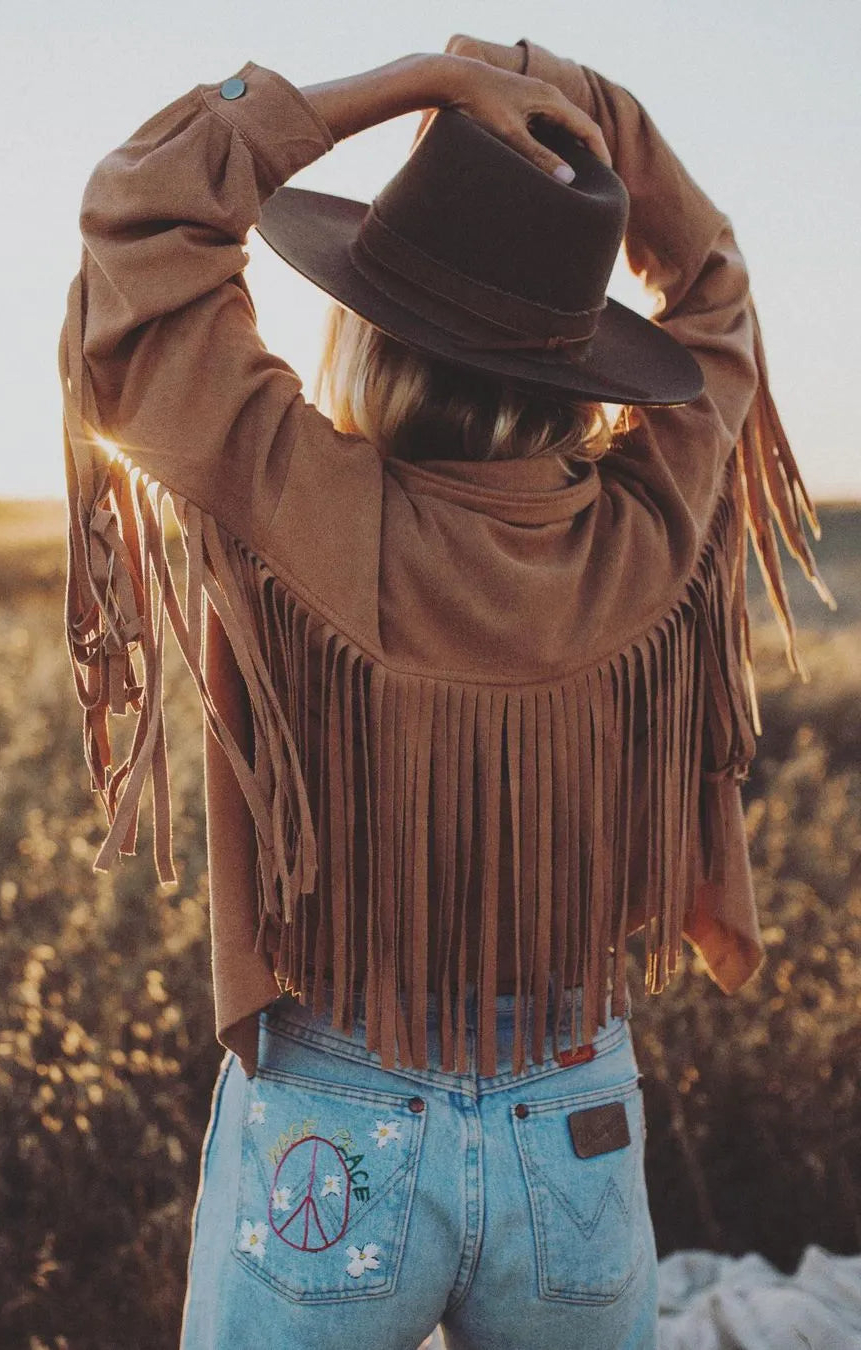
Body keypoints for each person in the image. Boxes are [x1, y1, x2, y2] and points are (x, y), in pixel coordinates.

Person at [58, 32, 832, 1350]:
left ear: (370, 332)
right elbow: (714, 290)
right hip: (573, 1118)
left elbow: (142, 211)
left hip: (334, 1122)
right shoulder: (646, 535)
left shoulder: (300, 498)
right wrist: (588, 121)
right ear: (578, 360)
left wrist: (423, 85)